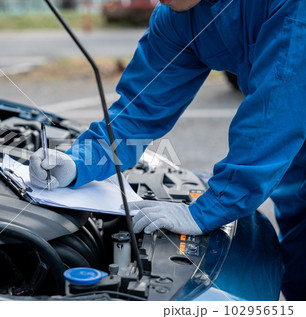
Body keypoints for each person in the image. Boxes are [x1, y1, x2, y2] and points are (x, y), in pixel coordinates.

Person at [29, 0, 305, 300]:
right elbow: (138, 111)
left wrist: (208, 210)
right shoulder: (177, 17)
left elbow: (276, 109)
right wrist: (77, 163)